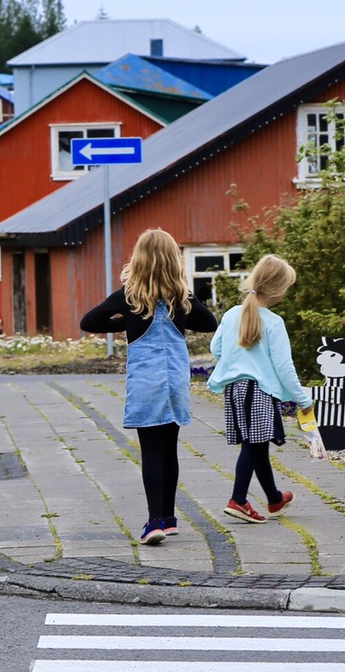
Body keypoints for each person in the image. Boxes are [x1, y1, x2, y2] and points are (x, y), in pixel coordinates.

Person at [80, 229, 218, 545]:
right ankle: (168, 518)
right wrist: (185, 301)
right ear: (175, 261)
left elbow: (89, 321)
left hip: (146, 384)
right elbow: (209, 323)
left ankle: (154, 519)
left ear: (138, 261)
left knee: (151, 452)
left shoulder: (128, 296)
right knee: (170, 450)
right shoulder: (181, 298)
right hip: (175, 384)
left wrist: (122, 324)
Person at [206, 253, 320, 524]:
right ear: (278, 289)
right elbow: (284, 367)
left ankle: (274, 499)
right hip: (258, 391)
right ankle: (238, 499)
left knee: (256, 446)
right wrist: (303, 400)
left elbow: (215, 348)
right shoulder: (273, 322)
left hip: (235, 390)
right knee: (253, 445)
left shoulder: (233, 314)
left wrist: (237, 361)